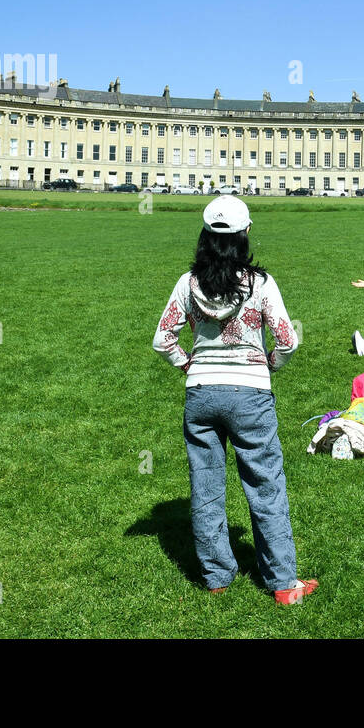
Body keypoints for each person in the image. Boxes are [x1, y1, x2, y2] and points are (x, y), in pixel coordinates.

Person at [152, 194, 318, 604]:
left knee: (206, 485)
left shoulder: (188, 283)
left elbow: (162, 339)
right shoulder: (260, 284)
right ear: (245, 234)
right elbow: (286, 339)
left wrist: (188, 365)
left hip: (202, 394)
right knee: (265, 487)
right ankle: (282, 584)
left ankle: (217, 578)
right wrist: (270, 367)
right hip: (251, 394)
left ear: (206, 237)